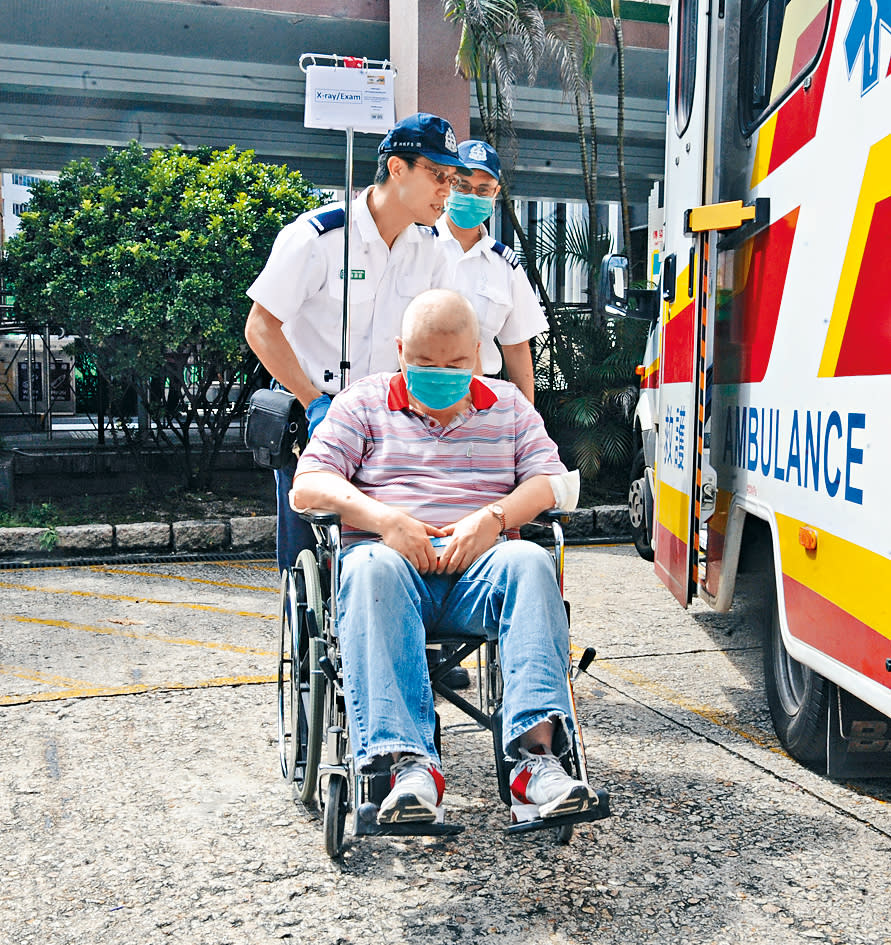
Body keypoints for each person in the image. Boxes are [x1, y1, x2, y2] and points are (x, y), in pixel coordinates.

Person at [290, 289, 598, 826]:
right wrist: (385, 520)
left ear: (477, 354)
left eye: (456, 363)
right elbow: (308, 487)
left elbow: (552, 484)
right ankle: (410, 766)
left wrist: (493, 519)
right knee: (366, 567)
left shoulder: (507, 406)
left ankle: (536, 764)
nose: (440, 373)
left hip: (479, 572)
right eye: (424, 362)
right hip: (390, 571)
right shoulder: (362, 403)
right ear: (401, 350)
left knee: (529, 561)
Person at [244, 112, 469, 576]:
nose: (447, 190)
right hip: (316, 418)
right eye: (437, 175)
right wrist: (312, 404)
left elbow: (443, 339)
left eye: (452, 178)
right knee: (311, 553)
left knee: (394, 548)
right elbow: (261, 327)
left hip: (392, 425)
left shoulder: (431, 249)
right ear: (397, 168)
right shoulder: (317, 238)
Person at [437, 139, 547, 403]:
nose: (472, 195)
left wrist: (525, 425)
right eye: (462, 186)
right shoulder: (416, 245)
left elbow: (518, 350)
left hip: (482, 399)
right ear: (447, 183)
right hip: (419, 394)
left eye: (483, 189)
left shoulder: (505, 266)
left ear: (495, 194)